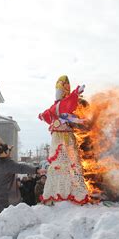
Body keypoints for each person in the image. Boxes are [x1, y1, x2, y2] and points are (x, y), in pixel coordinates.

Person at [38, 76, 88, 205]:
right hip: (58, 137)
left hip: (66, 137)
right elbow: (51, 113)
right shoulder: (56, 106)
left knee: (70, 163)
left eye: (59, 91)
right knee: (59, 165)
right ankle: (57, 192)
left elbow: (68, 112)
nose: (57, 94)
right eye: (56, 91)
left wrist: (76, 93)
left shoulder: (62, 105)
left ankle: (71, 192)